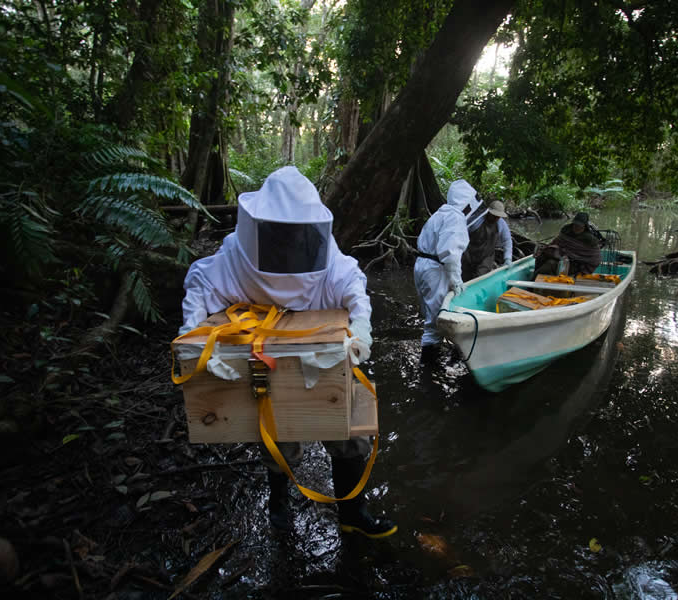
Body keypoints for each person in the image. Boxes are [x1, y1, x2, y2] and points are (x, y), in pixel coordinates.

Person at [179, 166, 397, 538]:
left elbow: (352, 284)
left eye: (296, 234)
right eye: (280, 234)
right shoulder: (236, 255)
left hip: (322, 356)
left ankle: (353, 513)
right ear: (260, 228)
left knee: (349, 429)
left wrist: (361, 329)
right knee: (277, 434)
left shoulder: (323, 252)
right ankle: (279, 509)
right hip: (267, 362)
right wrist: (192, 339)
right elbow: (201, 282)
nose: (289, 243)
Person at [413, 179, 479, 365]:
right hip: (435, 270)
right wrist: (456, 280)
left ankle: (431, 357)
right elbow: (450, 255)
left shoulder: (441, 213)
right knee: (435, 321)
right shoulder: (455, 217)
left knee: (430, 314)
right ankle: (428, 367)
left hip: (422, 265)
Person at [461, 199, 513, 281]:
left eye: (498, 217)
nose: (496, 218)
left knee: (480, 279)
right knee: (464, 278)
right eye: (494, 216)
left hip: (486, 257)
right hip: (469, 254)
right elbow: (462, 235)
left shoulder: (501, 224)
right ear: (488, 212)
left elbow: (507, 241)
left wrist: (508, 258)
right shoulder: (476, 220)